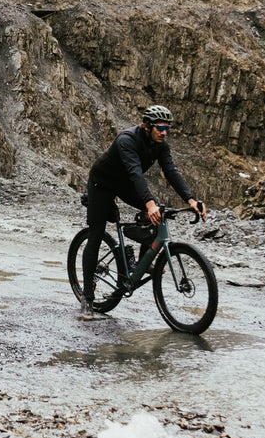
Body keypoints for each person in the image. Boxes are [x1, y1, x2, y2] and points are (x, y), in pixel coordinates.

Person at [82, 105, 207, 298]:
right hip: (102, 184)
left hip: (125, 184)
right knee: (96, 233)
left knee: (158, 212)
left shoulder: (161, 144)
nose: (165, 133)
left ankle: (142, 262)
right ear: (148, 126)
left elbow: (171, 172)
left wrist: (190, 200)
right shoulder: (127, 140)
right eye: (161, 128)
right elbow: (135, 173)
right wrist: (149, 204)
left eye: (168, 128)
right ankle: (87, 296)